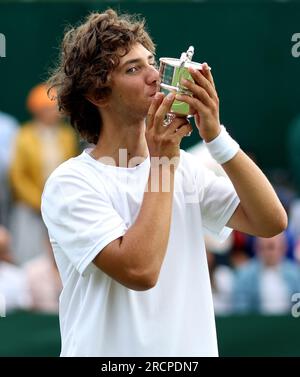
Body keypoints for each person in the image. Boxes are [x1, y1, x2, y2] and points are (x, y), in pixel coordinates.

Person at [41, 9, 287, 357]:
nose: (155, 76)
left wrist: (216, 136)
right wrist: (163, 164)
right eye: (133, 69)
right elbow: (140, 270)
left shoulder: (182, 167)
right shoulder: (70, 183)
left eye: (151, 62)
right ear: (98, 94)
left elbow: (271, 221)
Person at [9, 83, 79, 264]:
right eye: (48, 109)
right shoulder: (24, 136)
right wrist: (38, 201)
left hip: (61, 203)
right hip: (31, 208)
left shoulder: (67, 136)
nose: (54, 113)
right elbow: (18, 176)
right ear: (38, 110)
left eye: (55, 108)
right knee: (30, 253)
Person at [233, 232, 300, 314]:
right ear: (256, 249)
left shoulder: (295, 273)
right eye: (262, 248)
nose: (268, 252)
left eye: (271, 247)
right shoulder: (245, 274)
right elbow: (241, 309)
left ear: (283, 248)